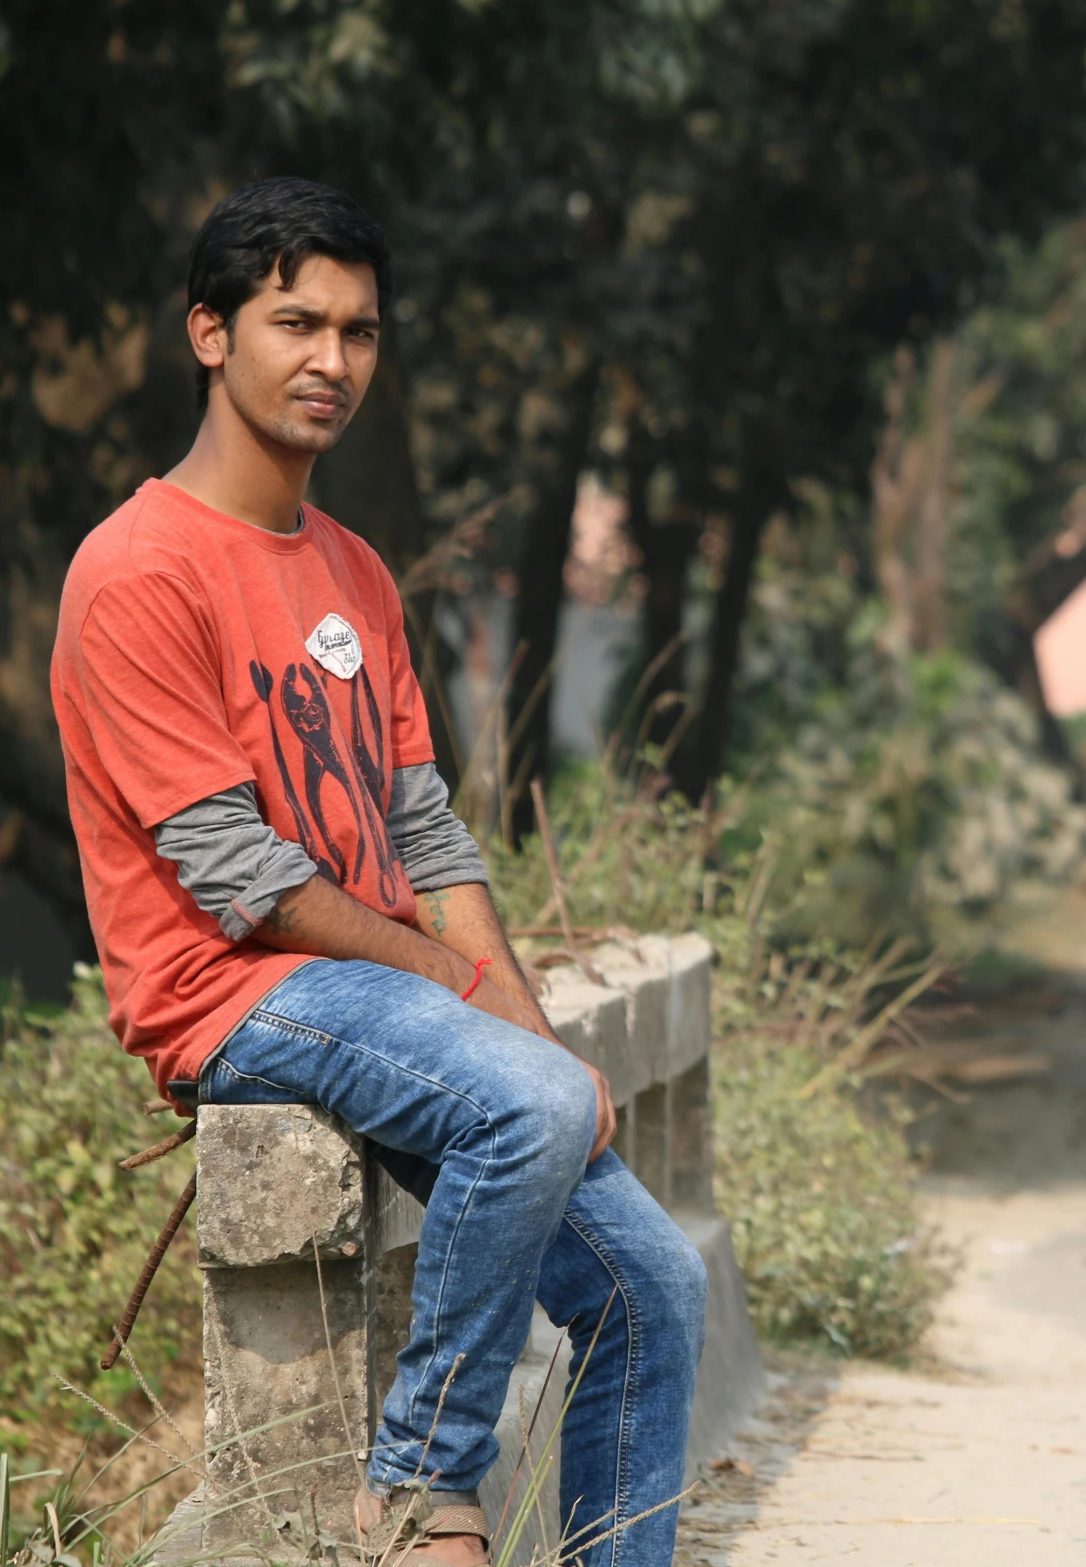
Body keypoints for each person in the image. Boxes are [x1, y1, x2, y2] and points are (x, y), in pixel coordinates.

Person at [49, 177, 705, 1567]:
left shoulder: (353, 570)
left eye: (357, 330)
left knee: (654, 1284)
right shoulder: (136, 569)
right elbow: (244, 880)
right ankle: (418, 1494)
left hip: (374, 999)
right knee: (524, 1097)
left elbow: (425, 835)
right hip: (232, 997)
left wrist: (516, 1018)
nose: (330, 360)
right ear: (209, 334)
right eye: (295, 321)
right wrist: (468, 1007)